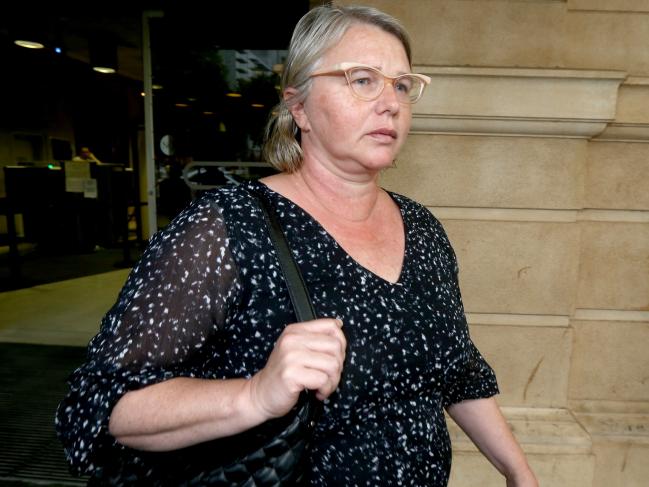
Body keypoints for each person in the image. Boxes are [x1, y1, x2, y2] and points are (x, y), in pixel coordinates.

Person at [56, 4, 538, 486]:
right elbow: (101, 407)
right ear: (298, 108)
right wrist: (254, 395)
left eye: (401, 85)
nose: (390, 103)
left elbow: (458, 373)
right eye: (363, 79)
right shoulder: (227, 227)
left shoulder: (422, 229)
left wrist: (519, 472)